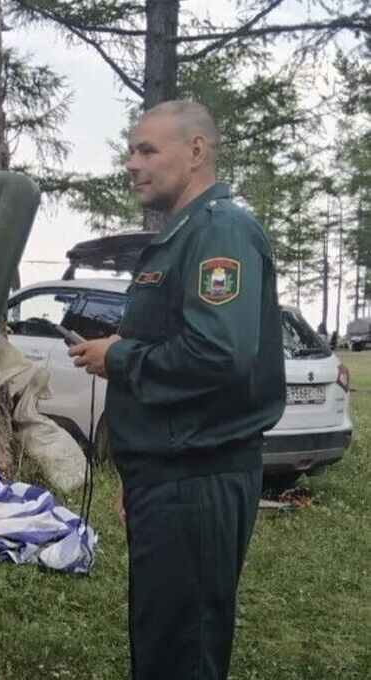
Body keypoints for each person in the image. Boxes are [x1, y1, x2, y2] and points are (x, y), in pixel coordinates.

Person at [68, 100, 285, 680]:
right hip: (170, 474)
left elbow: (220, 353)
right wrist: (140, 472)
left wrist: (119, 356)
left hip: (197, 480)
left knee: (183, 652)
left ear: (195, 152)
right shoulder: (183, 236)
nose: (131, 163)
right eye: (130, 150)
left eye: (147, 150)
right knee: (163, 640)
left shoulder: (220, 232)